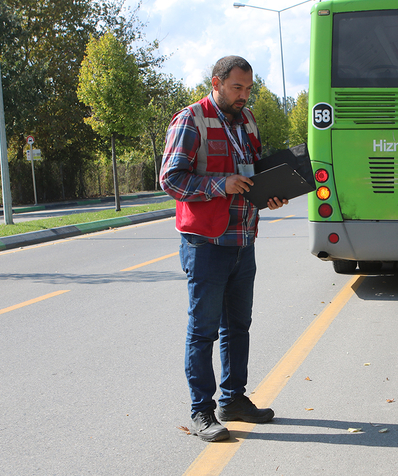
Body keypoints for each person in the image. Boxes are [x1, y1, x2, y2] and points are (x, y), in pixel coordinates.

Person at [159, 55, 288, 442]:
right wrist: (221, 184)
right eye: (237, 88)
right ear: (216, 82)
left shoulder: (246, 121)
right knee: (203, 332)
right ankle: (202, 410)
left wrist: (270, 194)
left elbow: (250, 174)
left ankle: (233, 400)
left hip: (242, 241)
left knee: (238, 327)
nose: (244, 96)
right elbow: (171, 179)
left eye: (249, 89)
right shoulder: (190, 120)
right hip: (206, 244)